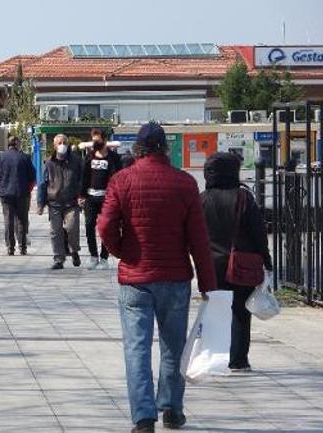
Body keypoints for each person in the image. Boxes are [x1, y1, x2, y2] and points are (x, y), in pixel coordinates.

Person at [98, 122, 217, 433]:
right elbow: (199, 239)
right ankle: (172, 409)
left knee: (136, 347)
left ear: (137, 148)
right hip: (175, 278)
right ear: (165, 148)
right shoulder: (185, 183)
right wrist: (208, 284)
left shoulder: (121, 180)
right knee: (173, 346)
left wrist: (122, 251)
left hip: (135, 278)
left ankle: (143, 417)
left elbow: (105, 225)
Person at [201, 152, 272, 373]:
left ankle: (213, 356)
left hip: (211, 263)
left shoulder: (202, 198)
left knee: (214, 311)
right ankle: (238, 360)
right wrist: (266, 261)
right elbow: (259, 232)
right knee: (241, 312)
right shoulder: (244, 197)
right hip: (242, 262)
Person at [37, 134, 83, 270]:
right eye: (59, 143)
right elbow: (43, 184)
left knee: (72, 229)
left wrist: (82, 195)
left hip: (71, 202)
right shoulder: (49, 163)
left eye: (64, 142)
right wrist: (40, 204)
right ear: (54, 146)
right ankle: (59, 259)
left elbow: (82, 179)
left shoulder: (76, 161)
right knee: (55, 231)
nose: (62, 145)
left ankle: (74, 250)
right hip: (54, 202)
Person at [80, 128, 121, 270]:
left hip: (107, 198)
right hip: (91, 198)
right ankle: (93, 256)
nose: (95, 143)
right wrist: (81, 195)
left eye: (97, 140)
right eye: (93, 140)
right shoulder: (89, 157)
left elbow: (118, 178)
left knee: (106, 228)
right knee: (89, 226)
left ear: (104, 140)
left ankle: (104, 257)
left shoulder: (113, 158)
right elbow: (84, 176)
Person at [0, 136, 36, 256]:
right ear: (16, 143)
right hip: (22, 194)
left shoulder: (0, 157)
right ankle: (22, 247)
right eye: (20, 142)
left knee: (8, 220)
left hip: (5, 194)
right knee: (22, 220)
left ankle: (10, 248)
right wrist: (28, 190)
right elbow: (32, 176)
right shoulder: (25, 157)